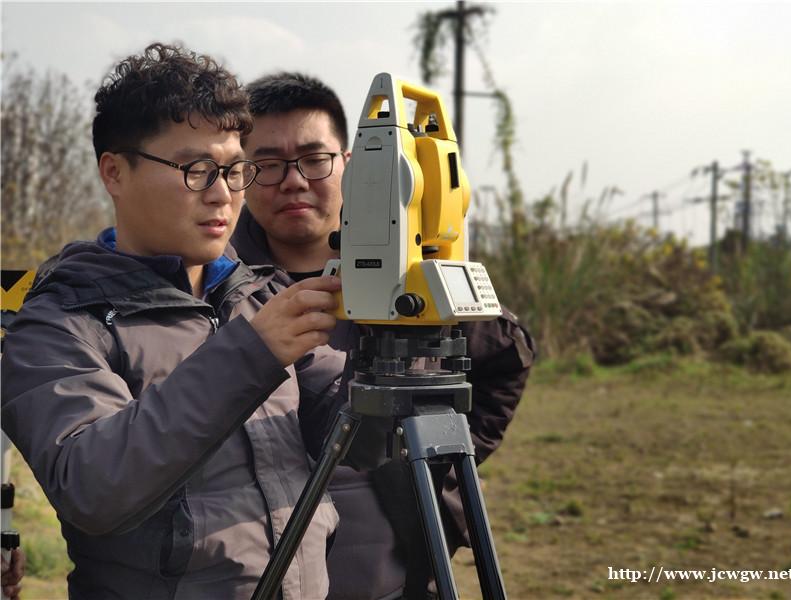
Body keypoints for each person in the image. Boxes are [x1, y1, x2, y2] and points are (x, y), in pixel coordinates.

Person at [1, 45, 349, 600]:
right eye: (196, 169)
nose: (223, 194)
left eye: (236, 170)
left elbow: (356, 436)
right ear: (114, 172)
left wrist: (401, 359)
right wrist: (249, 355)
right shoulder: (60, 322)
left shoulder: (253, 295)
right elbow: (93, 486)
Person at [233, 72, 536, 599]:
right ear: (240, 172)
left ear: (351, 166)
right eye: (267, 164)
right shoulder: (215, 284)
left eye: (313, 158)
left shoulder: (410, 278)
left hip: (400, 575)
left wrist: (441, 458)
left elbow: (509, 352)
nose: (294, 180)